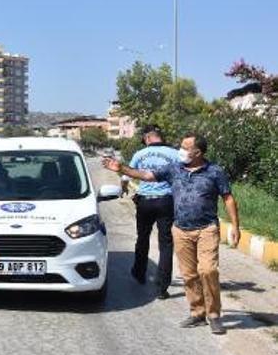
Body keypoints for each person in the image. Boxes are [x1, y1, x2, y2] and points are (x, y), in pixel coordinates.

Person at [102, 133, 241, 335]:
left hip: (207, 228)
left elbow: (228, 198)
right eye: (181, 146)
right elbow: (148, 175)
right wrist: (122, 169)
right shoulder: (174, 168)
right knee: (189, 274)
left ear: (198, 152)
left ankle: (214, 315)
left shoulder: (214, 172)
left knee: (208, 270)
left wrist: (235, 227)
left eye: (185, 147)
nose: (181, 150)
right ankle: (197, 313)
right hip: (181, 229)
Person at [124, 125, 179, 299]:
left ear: (148, 138)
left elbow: (127, 174)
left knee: (143, 238)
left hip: (145, 202)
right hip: (166, 201)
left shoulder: (140, 154)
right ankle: (162, 288)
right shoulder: (174, 153)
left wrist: (123, 186)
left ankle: (139, 273)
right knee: (166, 243)